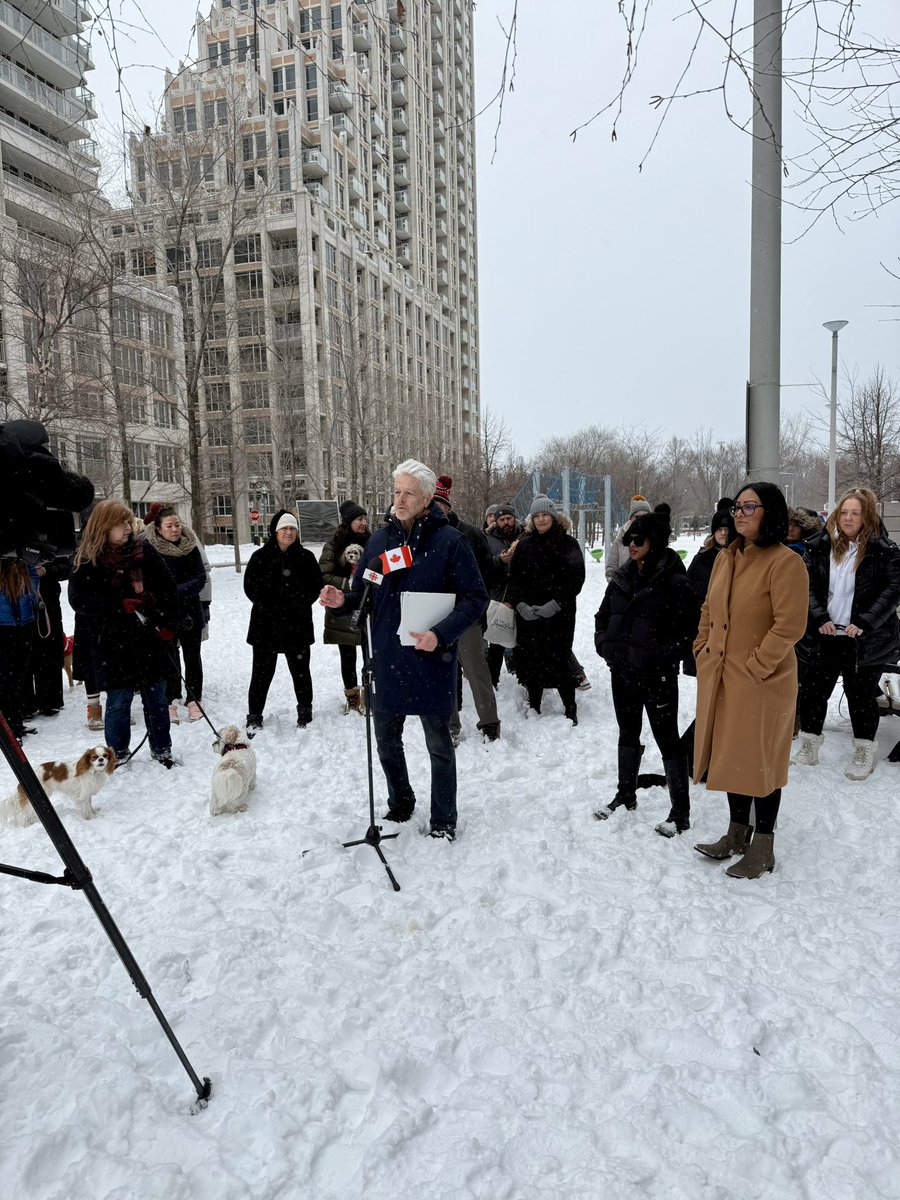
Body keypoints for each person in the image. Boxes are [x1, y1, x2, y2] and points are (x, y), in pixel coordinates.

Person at [319, 459, 487, 841]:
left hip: (432, 657)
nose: (400, 499)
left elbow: (475, 598)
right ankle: (401, 801)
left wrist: (441, 634)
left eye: (408, 492)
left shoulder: (450, 543)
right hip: (386, 660)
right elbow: (363, 592)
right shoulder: (378, 542)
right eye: (396, 491)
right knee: (385, 739)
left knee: (438, 744)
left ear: (427, 498)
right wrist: (339, 599)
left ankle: (443, 819)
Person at [692, 483, 808, 878]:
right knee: (731, 757)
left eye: (749, 506)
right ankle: (736, 833)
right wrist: (702, 645)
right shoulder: (727, 556)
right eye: (737, 506)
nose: (739, 513)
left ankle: (763, 845)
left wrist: (759, 665)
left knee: (761, 762)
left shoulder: (785, 561)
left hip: (762, 681)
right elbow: (709, 607)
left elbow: (790, 625)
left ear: (769, 512)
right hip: (723, 676)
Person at [593, 504, 700, 835]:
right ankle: (625, 795)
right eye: (628, 539)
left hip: (657, 676)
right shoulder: (623, 577)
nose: (632, 545)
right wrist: (607, 649)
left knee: (667, 740)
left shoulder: (676, 582)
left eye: (638, 539)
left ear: (655, 540)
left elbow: (689, 632)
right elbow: (602, 617)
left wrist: (659, 656)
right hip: (622, 673)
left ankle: (680, 812)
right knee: (628, 733)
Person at [792, 487, 900, 780]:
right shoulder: (818, 546)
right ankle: (809, 743)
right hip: (824, 634)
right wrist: (819, 617)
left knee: (861, 696)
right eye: (844, 512)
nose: (848, 518)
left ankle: (864, 749)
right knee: (814, 691)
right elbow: (806, 587)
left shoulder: (884, 550)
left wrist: (865, 621)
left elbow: (893, 591)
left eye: (856, 513)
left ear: (867, 517)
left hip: (864, 639)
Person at [68, 499, 178, 767]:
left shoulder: (145, 552)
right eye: (121, 523)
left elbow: (169, 590)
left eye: (129, 522)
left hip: (149, 639)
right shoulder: (88, 559)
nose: (128, 528)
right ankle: (117, 755)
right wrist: (117, 606)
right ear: (105, 526)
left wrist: (166, 624)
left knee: (157, 699)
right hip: (112, 644)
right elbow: (78, 600)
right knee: (118, 702)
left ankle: (162, 750)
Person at [431, 474, 501, 743]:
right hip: (435, 614)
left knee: (476, 670)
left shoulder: (470, 534)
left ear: (449, 506)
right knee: (442, 672)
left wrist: (477, 608)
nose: (436, 508)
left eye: (440, 503)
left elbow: (486, 574)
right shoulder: (421, 533)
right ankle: (450, 723)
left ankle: (490, 721)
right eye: (432, 503)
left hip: (466, 614)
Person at [506, 494, 585, 723]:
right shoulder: (524, 545)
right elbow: (514, 579)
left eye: (545, 515)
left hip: (559, 614)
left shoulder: (568, 544)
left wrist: (557, 603)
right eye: (537, 515)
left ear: (553, 516)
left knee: (560, 658)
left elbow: (576, 578)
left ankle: (570, 707)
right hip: (529, 614)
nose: (541, 519)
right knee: (532, 660)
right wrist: (520, 604)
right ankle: (535, 705)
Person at [244, 510, 323, 733]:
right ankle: (254, 715)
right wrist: (269, 604)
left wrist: (297, 603)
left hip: (296, 625)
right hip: (265, 625)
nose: (289, 532)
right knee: (261, 673)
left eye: (292, 529)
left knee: (300, 671)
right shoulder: (260, 556)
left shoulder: (306, 557)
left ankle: (305, 712)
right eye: (284, 529)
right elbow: (250, 587)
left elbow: (314, 587)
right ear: (275, 532)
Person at [143, 502, 208, 723]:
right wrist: (167, 595)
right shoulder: (150, 549)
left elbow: (200, 577)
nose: (174, 529)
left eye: (177, 524)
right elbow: (150, 582)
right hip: (164, 613)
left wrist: (177, 591)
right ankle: (171, 697)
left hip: (190, 609)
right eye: (169, 526)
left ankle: (193, 698)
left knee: (193, 655)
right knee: (169, 656)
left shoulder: (190, 546)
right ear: (159, 529)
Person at [319, 500, 371, 714]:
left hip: (368, 604)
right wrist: (347, 586)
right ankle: (352, 696)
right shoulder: (333, 545)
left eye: (364, 518)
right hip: (342, 607)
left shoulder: (373, 542)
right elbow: (323, 575)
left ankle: (369, 695)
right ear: (349, 522)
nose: (364, 523)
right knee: (347, 654)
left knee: (370, 653)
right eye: (359, 519)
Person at [0, 559, 41, 739]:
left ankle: (15, 723)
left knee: (18, 678)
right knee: (7, 680)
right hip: (5, 626)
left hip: (24, 625)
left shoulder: (24, 562)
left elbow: (33, 592)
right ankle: (9, 727)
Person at [484, 502, 522, 686]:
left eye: (509, 518)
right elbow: (482, 567)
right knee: (496, 642)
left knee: (524, 639)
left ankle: (525, 678)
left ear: (515, 519)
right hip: (499, 596)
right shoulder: (488, 539)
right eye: (502, 519)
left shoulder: (525, 535)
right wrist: (499, 560)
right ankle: (492, 681)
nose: (506, 522)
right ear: (496, 522)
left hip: (522, 595)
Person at [605, 496, 652, 581]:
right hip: (626, 590)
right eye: (637, 517)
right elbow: (611, 567)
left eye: (646, 516)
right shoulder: (620, 539)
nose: (641, 520)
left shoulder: (657, 539)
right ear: (631, 518)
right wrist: (615, 582)